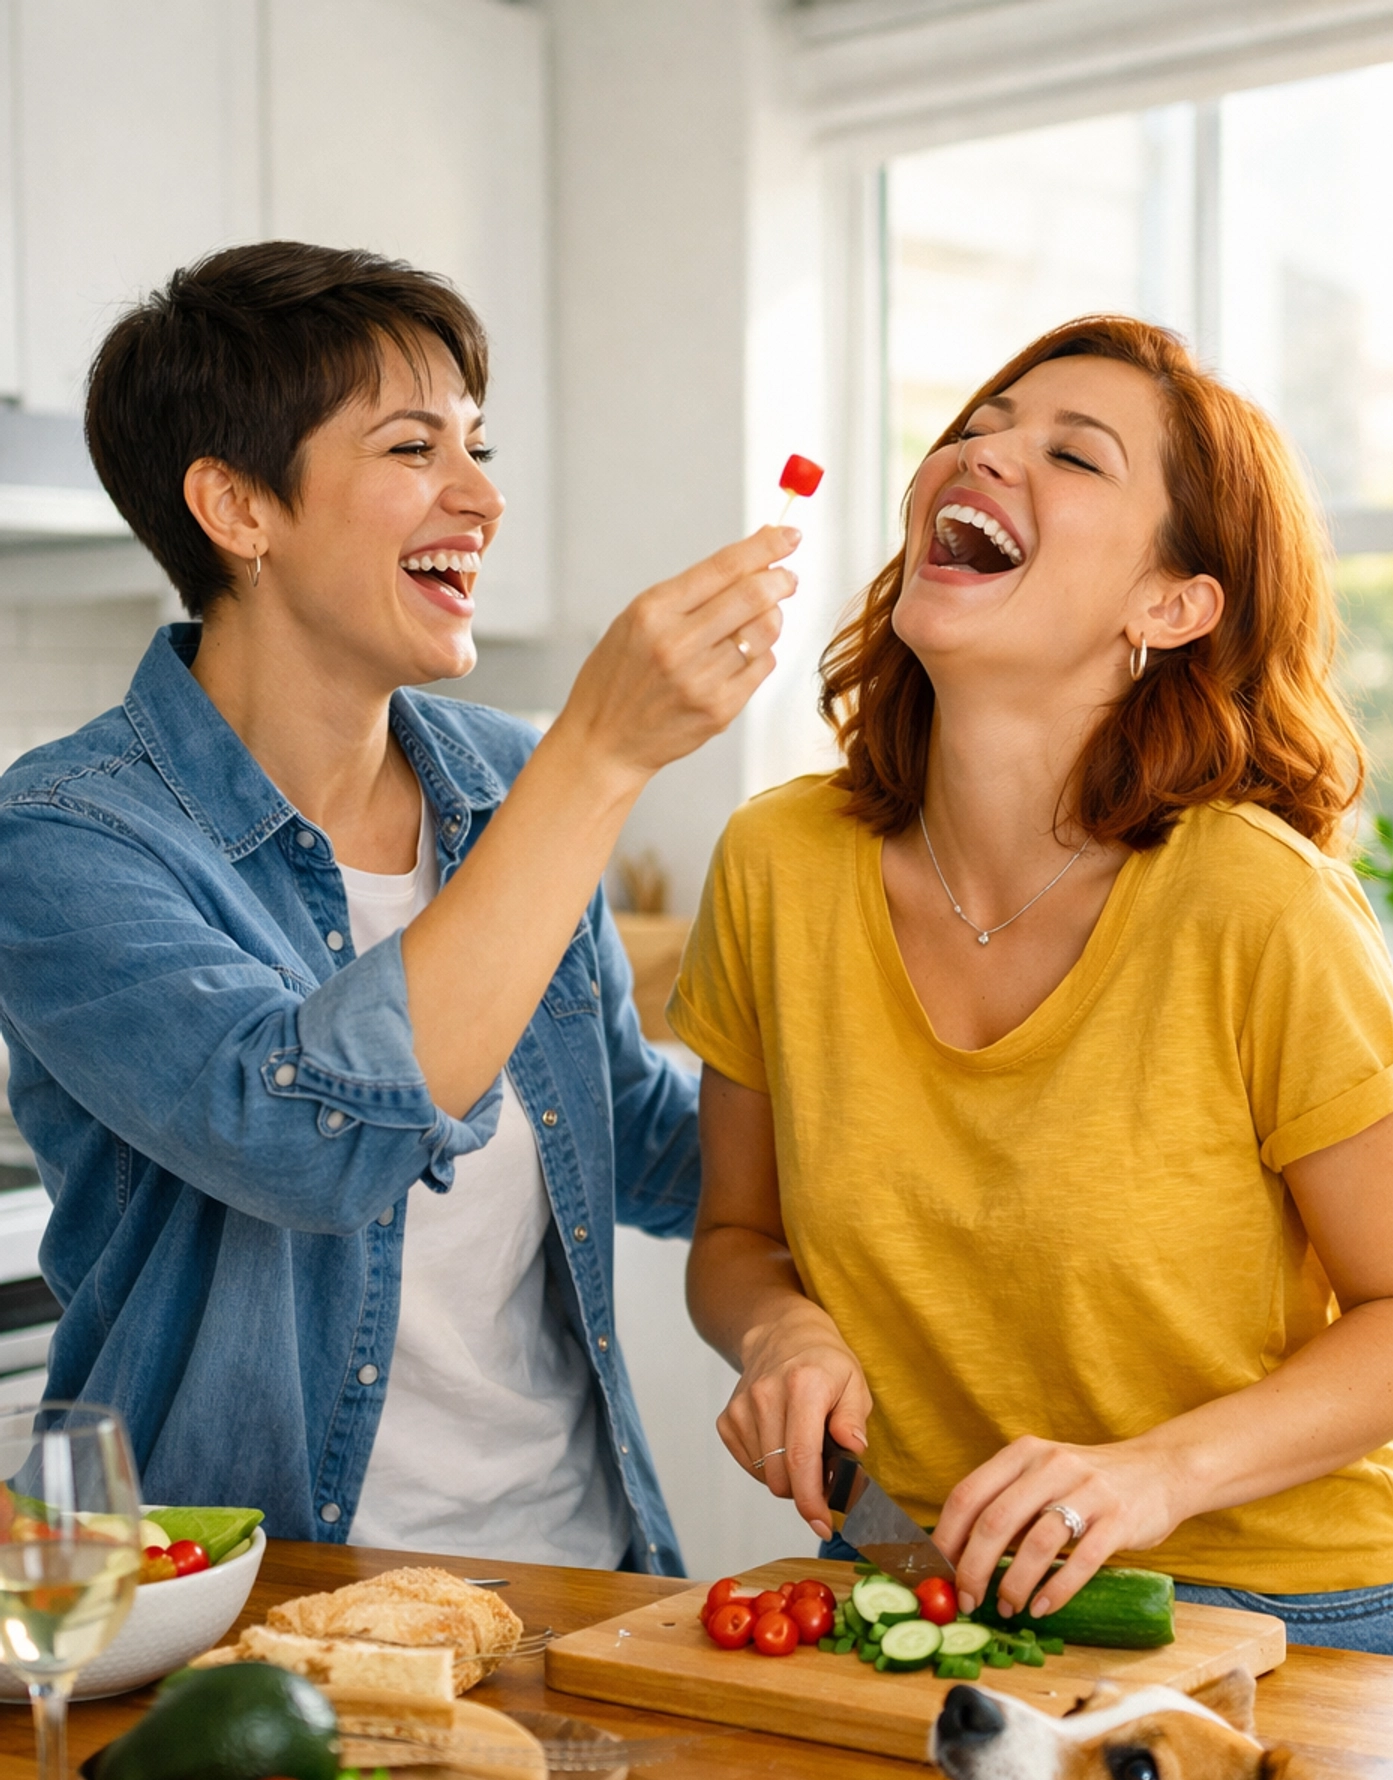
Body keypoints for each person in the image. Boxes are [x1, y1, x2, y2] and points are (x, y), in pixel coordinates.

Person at [669, 315, 1393, 1780]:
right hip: (999, 1642)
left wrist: (1150, 1474)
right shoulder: (775, 867)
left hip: (1330, 1639)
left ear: (1170, 601)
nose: (990, 452)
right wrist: (783, 1327)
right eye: (980, 426)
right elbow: (739, 1241)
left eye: (1075, 452)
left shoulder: (1249, 896)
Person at [0, 240, 799, 1575]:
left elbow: (635, 1130)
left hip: (576, 1583)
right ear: (239, 510)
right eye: (414, 448)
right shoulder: (67, 839)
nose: (481, 499)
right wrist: (601, 754)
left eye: (479, 448)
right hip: (257, 1618)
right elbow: (313, 1143)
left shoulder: (499, 782)